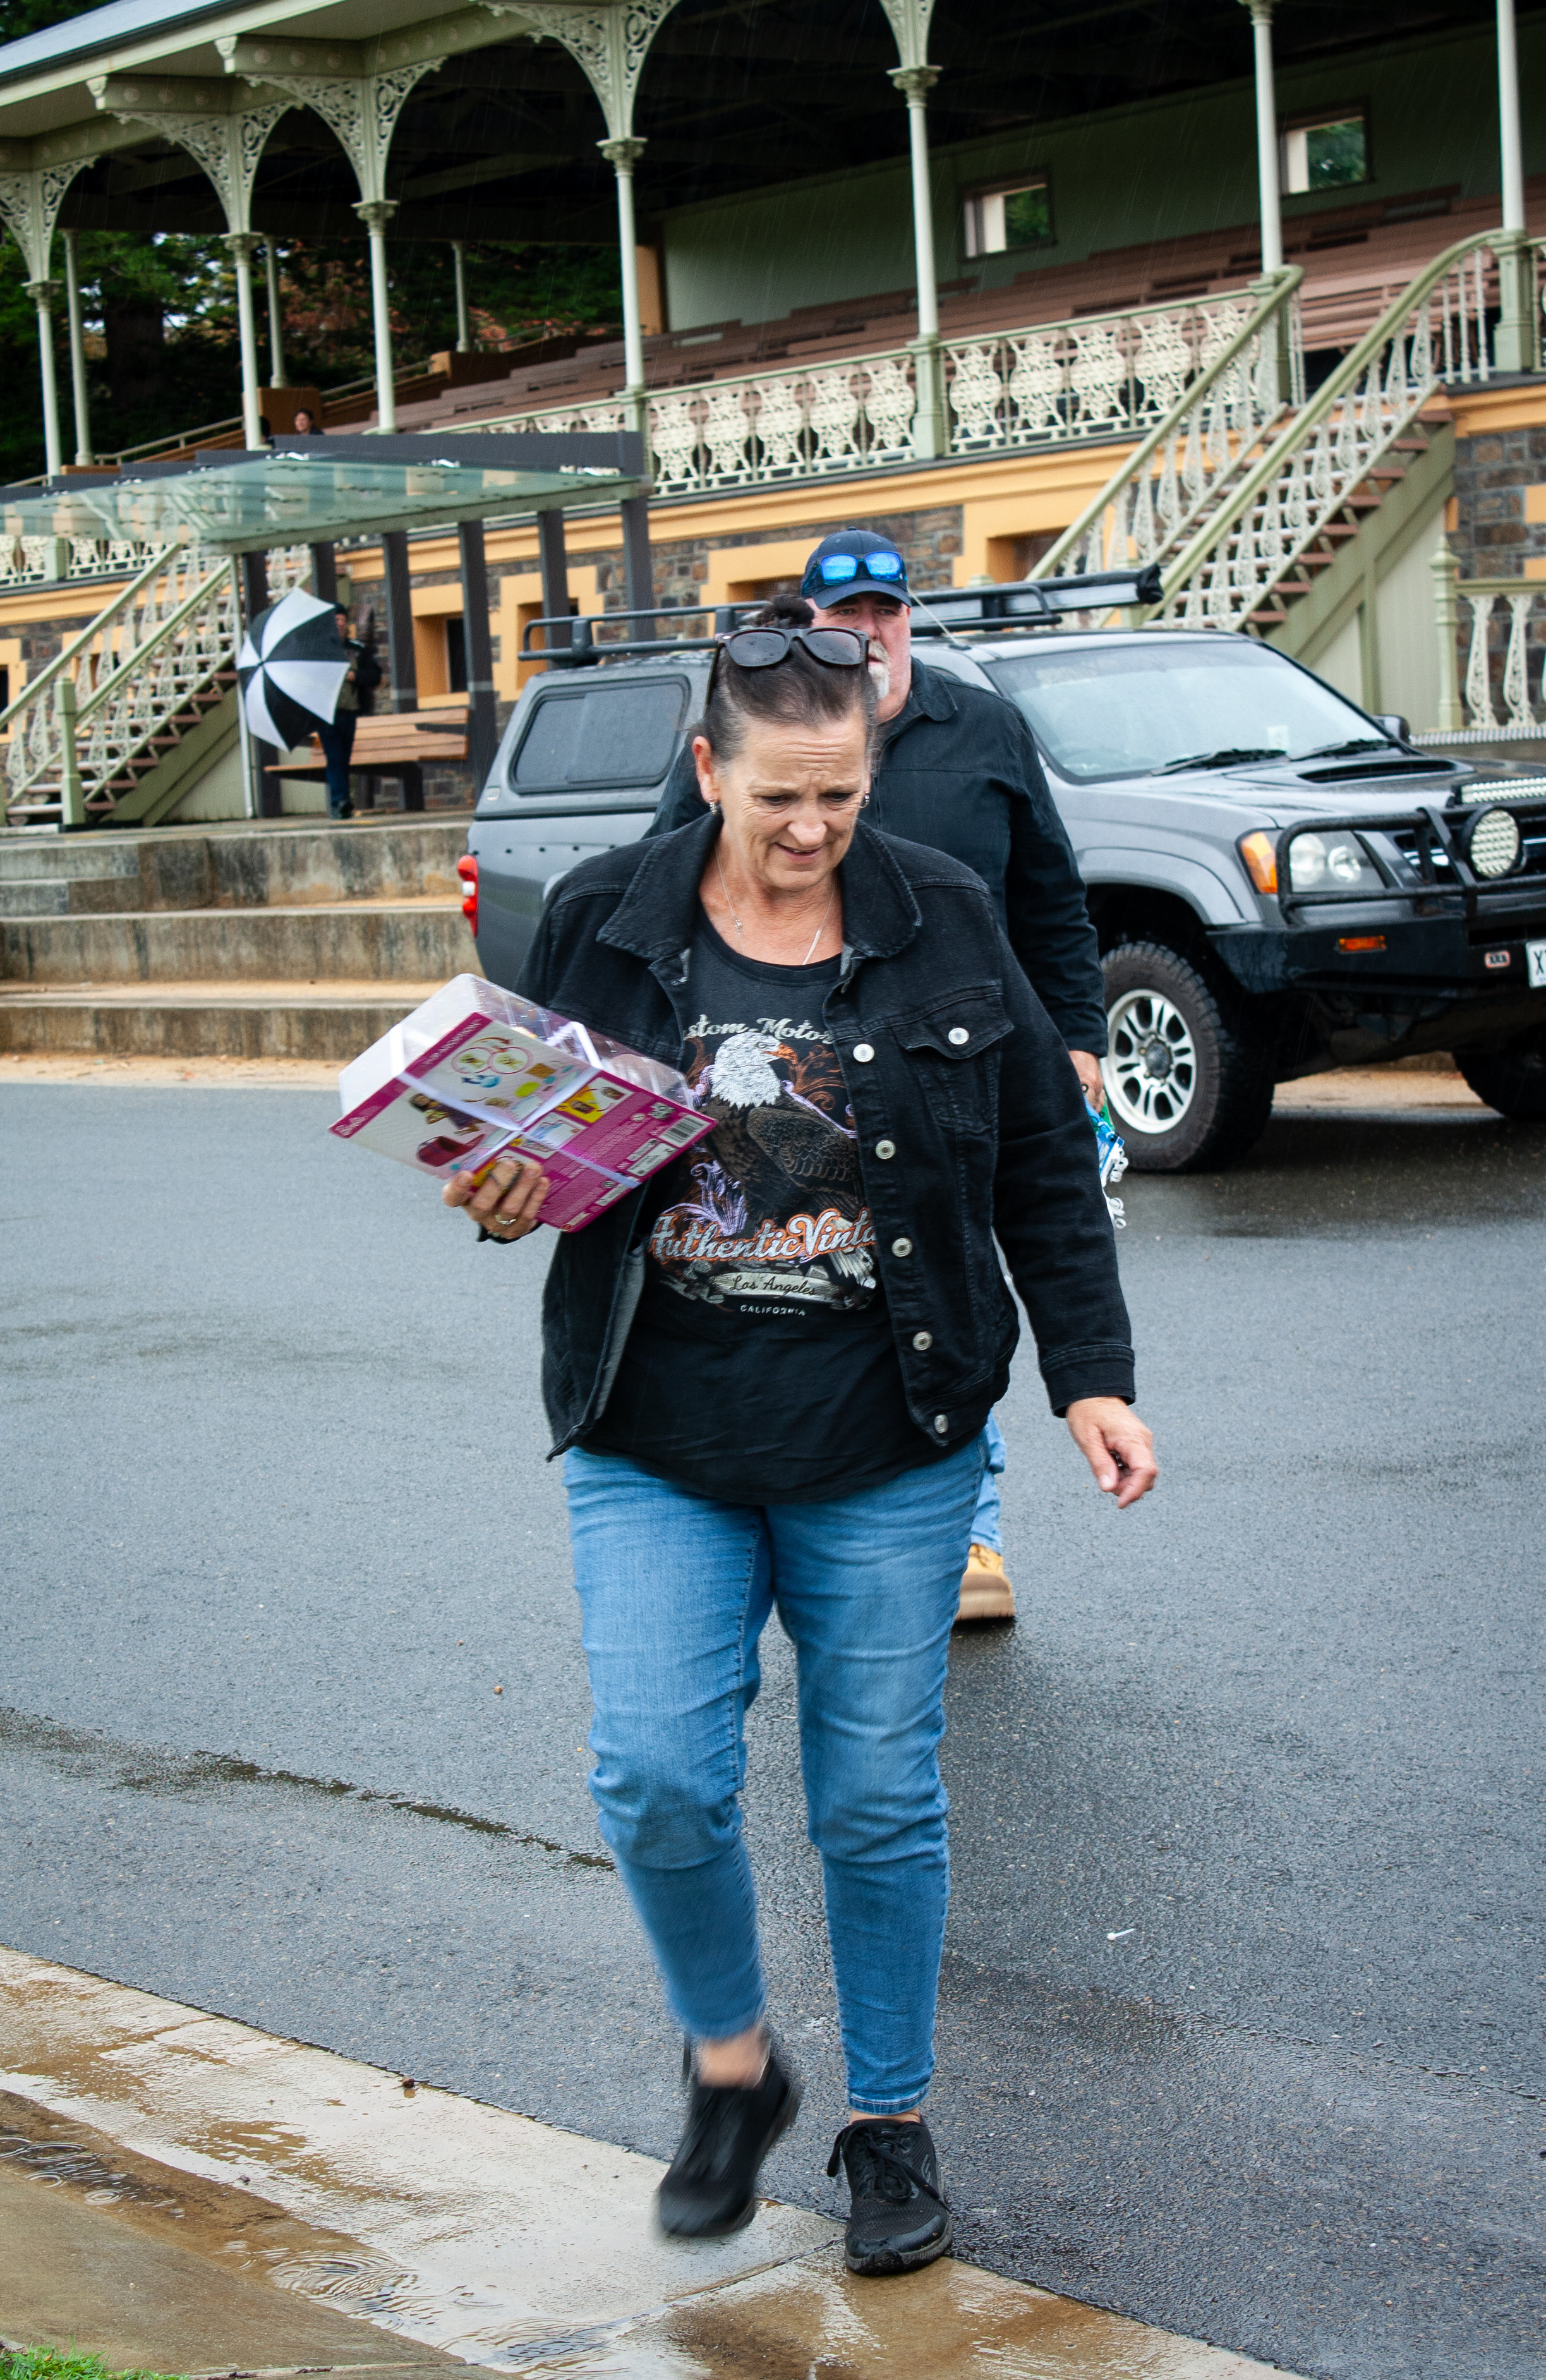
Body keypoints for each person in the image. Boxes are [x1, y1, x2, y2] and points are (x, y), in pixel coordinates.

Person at [442, 620, 1157, 2274]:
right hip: (655, 1428)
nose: (813, 827)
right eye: (779, 795)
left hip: (892, 1430)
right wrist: (501, 1195)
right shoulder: (603, 918)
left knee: (874, 1798)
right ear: (710, 769)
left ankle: (889, 2120)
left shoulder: (944, 913)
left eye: (841, 792)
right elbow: (531, 1152)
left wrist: (1094, 1378)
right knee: (656, 1774)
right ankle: (733, 2068)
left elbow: (1041, 1166)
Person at [648, 531, 1110, 1624]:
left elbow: (1051, 896)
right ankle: (806, 1526)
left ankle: (969, 1531)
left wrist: (1075, 1035)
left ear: (908, 617)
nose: (870, 632)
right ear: (808, 626)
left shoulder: (986, 727)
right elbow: (664, 888)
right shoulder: (746, 736)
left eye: (887, 612)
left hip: (966, 1060)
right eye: (846, 614)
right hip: (813, 1064)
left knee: (958, 1269)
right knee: (859, 1278)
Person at [322, 605, 380, 822]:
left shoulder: (357, 649)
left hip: (350, 712)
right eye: (335, 620)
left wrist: (355, 676)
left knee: (344, 758)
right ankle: (341, 799)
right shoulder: (321, 652)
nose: (339, 624)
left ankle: (341, 803)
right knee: (335, 757)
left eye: (342, 620)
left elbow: (375, 675)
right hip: (326, 714)